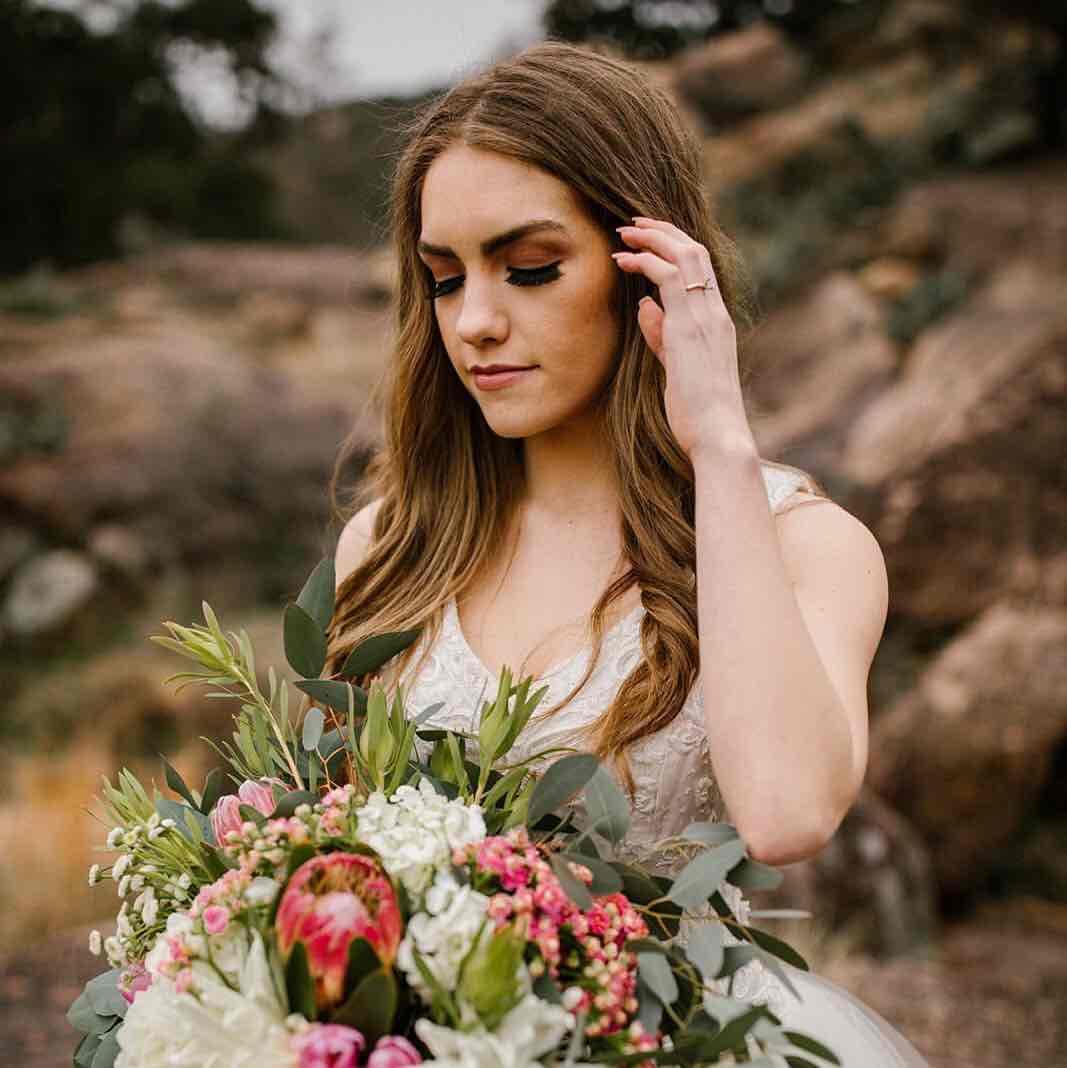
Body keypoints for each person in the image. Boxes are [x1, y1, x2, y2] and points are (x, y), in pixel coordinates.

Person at [325, 39, 930, 1067]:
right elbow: (335, 872)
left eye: (527, 269)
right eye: (442, 279)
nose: (473, 322)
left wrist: (719, 446)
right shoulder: (389, 547)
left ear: (644, 262)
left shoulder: (804, 544)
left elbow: (785, 813)